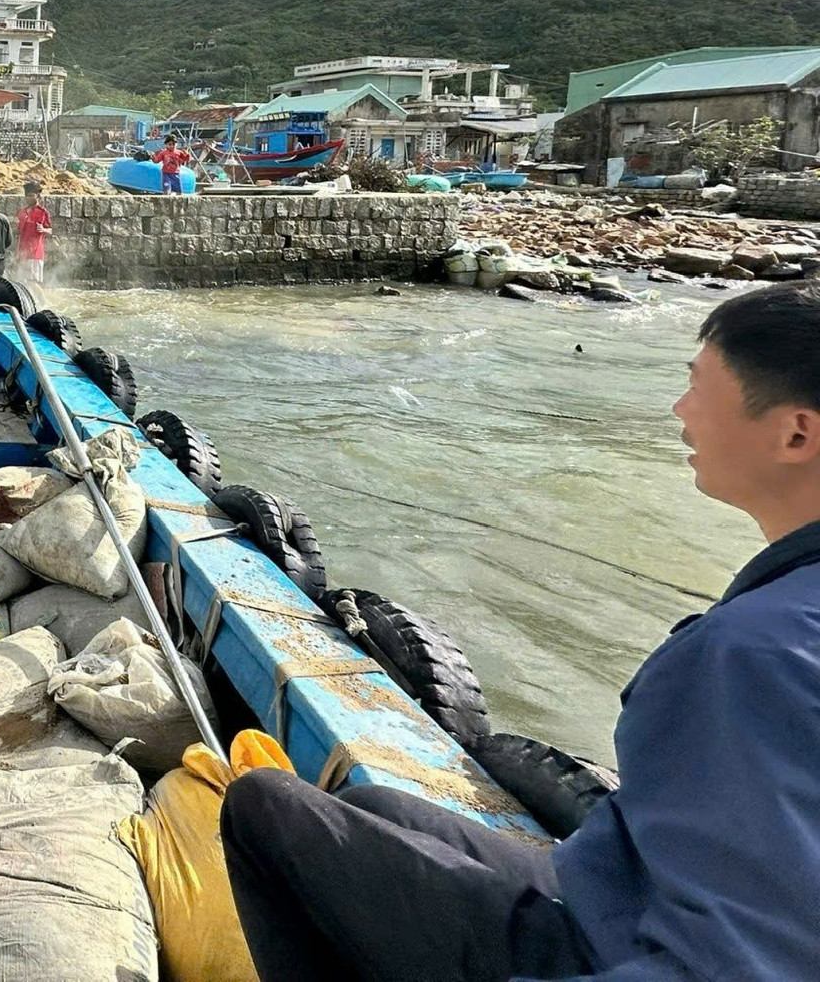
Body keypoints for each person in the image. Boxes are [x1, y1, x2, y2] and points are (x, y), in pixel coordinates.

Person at [220, 280, 820, 982]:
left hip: (613, 945)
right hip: (621, 885)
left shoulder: (753, 653)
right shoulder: (783, 610)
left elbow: (740, 962)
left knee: (265, 808)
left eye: (698, 386)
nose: (681, 411)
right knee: (369, 804)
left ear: (795, 433)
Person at [13, 180, 51, 285]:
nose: (28, 198)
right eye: (27, 196)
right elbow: (19, 231)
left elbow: (50, 229)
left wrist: (44, 229)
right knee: (22, 282)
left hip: (35, 253)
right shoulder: (22, 212)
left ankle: (43, 301)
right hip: (22, 253)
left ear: (37, 196)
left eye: (31, 195)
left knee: (34, 283)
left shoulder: (42, 212)